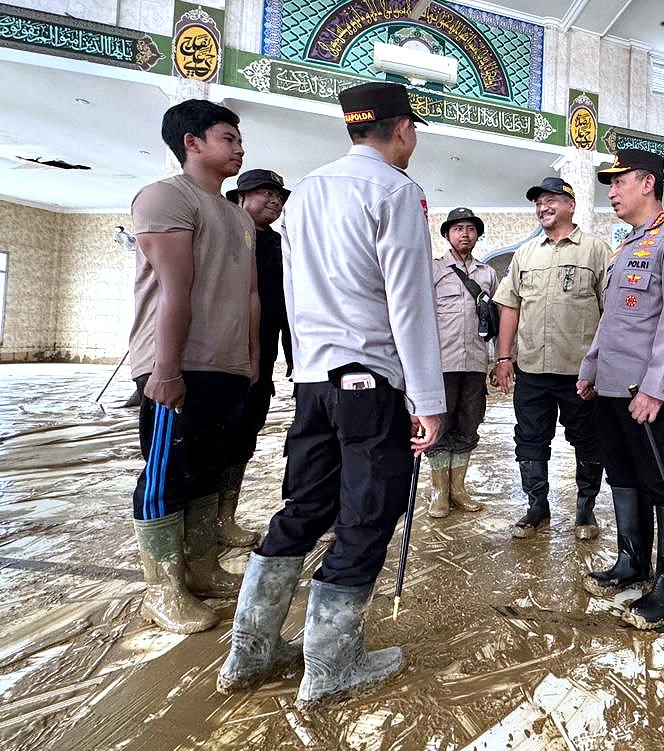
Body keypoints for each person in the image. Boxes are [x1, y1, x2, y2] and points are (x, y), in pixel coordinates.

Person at [216, 83, 444, 708]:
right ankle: (331, 665)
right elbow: (409, 302)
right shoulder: (397, 191)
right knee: (368, 513)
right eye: (413, 131)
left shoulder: (308, 191)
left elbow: (292, 292)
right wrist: (427, 396)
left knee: (304, 507)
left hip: (314, 381)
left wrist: (304, 366)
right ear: (402, 131)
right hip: (369, 382)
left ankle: (250, 653)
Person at [127, 99, 256, 635]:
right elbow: (174, 290)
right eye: (228, 137)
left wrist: (249, 361)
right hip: (176, 363)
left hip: (225, 365)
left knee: (206, 467)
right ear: (192, 143)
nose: (239, 147)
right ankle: (163, 588)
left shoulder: (236, 215)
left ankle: (201, 568)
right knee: (166, 473)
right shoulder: (166, 197)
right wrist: (166, 369)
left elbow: (249, 296)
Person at [578, 149, 664, 630]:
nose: (611, 192)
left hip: (651, 393)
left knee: (661, 480)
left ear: (647, 183)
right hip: (612, 387)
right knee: (623, 475)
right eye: (608, 184)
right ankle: (633, 563)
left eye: (618, 182)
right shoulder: (627, 244)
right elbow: (613, 320)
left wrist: (653, 389)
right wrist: (590, 366)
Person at [492, 177, 611, 542]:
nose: (543, 207)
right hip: (531, 371)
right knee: (529, 440)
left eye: (551, 201)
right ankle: (536, 508)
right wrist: (503, 357)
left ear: (570, 205)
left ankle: (585, 510)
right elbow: (509, 305)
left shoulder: (595, 250)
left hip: (579, 373)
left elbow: (611, 312)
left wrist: (603, 367)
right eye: (539, 202)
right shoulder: (526, 254)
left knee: (588, 441)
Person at [219, 169, 293, 547]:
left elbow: (284, 305)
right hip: (220, 355)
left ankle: (223, 518)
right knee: (214, 438)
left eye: (279, 197)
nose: (275, 202)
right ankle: (200, 524)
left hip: (260, 356)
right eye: (266, 193)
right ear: (241, 196)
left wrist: (293, 355)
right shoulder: (223, 234)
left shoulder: (278, 245)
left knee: (245, 435)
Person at [427, 207, 497, 518]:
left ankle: (459, 488)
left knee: (469, 423)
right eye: (458, 229)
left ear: (478, 235)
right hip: (441, 363)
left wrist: (501, 359)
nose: (464, 233)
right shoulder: (433, 270)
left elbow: (494, 319)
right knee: (439, 425)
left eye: (470, 228)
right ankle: (440, 491)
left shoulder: (487, 274)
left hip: (475, 364)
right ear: (447, 235)